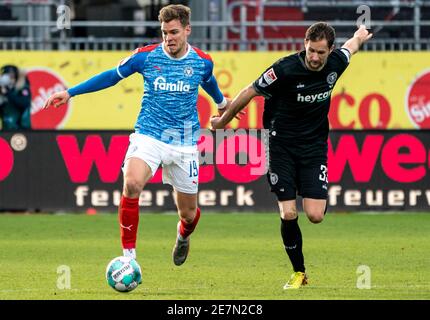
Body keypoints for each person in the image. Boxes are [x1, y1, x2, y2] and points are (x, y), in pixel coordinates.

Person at [43, 4, 230, 266]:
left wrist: (222, 104)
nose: (169, 38)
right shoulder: (146, 57)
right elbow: (110, 76)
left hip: (185, 142)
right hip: (148, 135)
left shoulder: (202, 61)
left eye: (174, 32)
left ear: (187, 30)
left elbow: (208, 80)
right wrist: (70, 92)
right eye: (164, 32)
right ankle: (129, 258)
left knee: (188, 215)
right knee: (131, 184)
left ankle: (183, 236)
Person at [211, 23, 372, 289]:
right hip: (280, 146)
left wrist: (358, 36)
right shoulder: (284, 69)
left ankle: (311, 192)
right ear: (304, 45)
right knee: (288, 213)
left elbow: (350, 48)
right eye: (311, 51)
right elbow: (249, 92)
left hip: (313, 148)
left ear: (329, 50)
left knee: (315, 215)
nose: (315, 57)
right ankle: (299, 272)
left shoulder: (336, 63)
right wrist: (222, 121)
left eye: (321, 52)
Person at [0, 65, 32, 130]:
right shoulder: (4, 89)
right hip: (7, 128)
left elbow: (24, 103)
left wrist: (7, 93)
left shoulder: (22, 88)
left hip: (22, 128)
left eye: (12, 77)